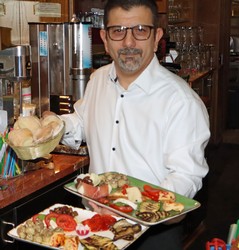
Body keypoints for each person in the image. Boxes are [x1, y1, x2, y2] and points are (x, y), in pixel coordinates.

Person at [60, 0, 210, 249]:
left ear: (156, 37)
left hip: (151, 235)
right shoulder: (98, 80)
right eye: (118, 31)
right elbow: (82, 122)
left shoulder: (181, 101)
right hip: (95, 224)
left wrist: (127, 204)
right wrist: (53, 127)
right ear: (105, 39)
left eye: (140, 30)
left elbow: (185, 176)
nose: (128, 42)